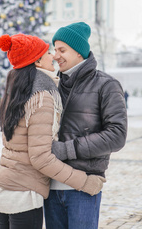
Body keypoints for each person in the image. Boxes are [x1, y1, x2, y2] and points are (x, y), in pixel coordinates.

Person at [0, 33, 105, 229]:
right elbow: (40, 157)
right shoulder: (42, 95)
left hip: (5, 186)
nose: (54, 57)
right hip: (24, 192)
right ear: (38, 62)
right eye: (48, 52)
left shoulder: (15, 88)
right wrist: (84, 182)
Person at [44, 22, 128, 229]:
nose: (55, 55)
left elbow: (117, 135)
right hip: (50, 186)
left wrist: (66, 149)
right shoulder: (51, 85)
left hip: (83, 187)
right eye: (55, 50)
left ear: (79, 52)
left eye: (62, 50)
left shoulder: (106, 85)